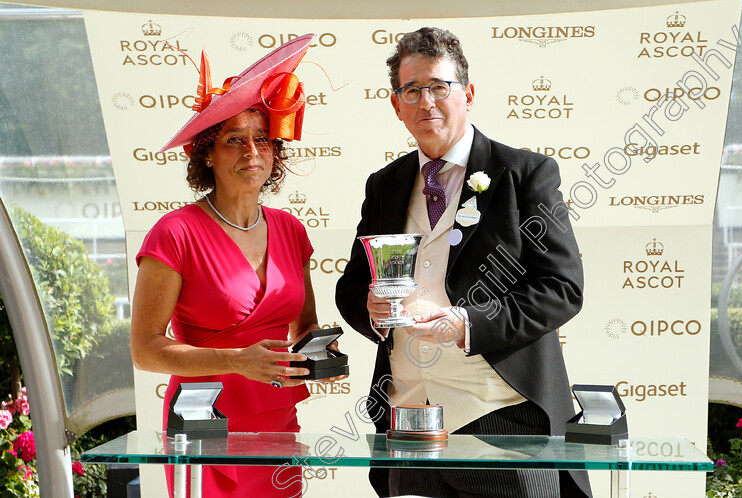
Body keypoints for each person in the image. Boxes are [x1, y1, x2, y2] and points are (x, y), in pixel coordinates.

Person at [335, 27, 591, 497]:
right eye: (411, 90)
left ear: (468, 94)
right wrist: (370, 308)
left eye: (439, 86)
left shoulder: (523, 173)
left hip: (505, 422)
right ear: (396, 105)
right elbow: (352, 285)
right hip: (409, 419)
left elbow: (561, 287)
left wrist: (467, 321)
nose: (426, 101)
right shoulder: (384, 184)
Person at [130, 34, 345, 498]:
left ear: (276, 150)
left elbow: (302, 327)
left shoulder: (291, 229)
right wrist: (235, 360)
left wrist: (317, 357)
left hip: (276, 416)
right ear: (206, 152)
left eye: (262, 139)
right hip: (203, 417)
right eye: (234, 140)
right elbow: (145, 350)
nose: (252, 153)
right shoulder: (175, 233)